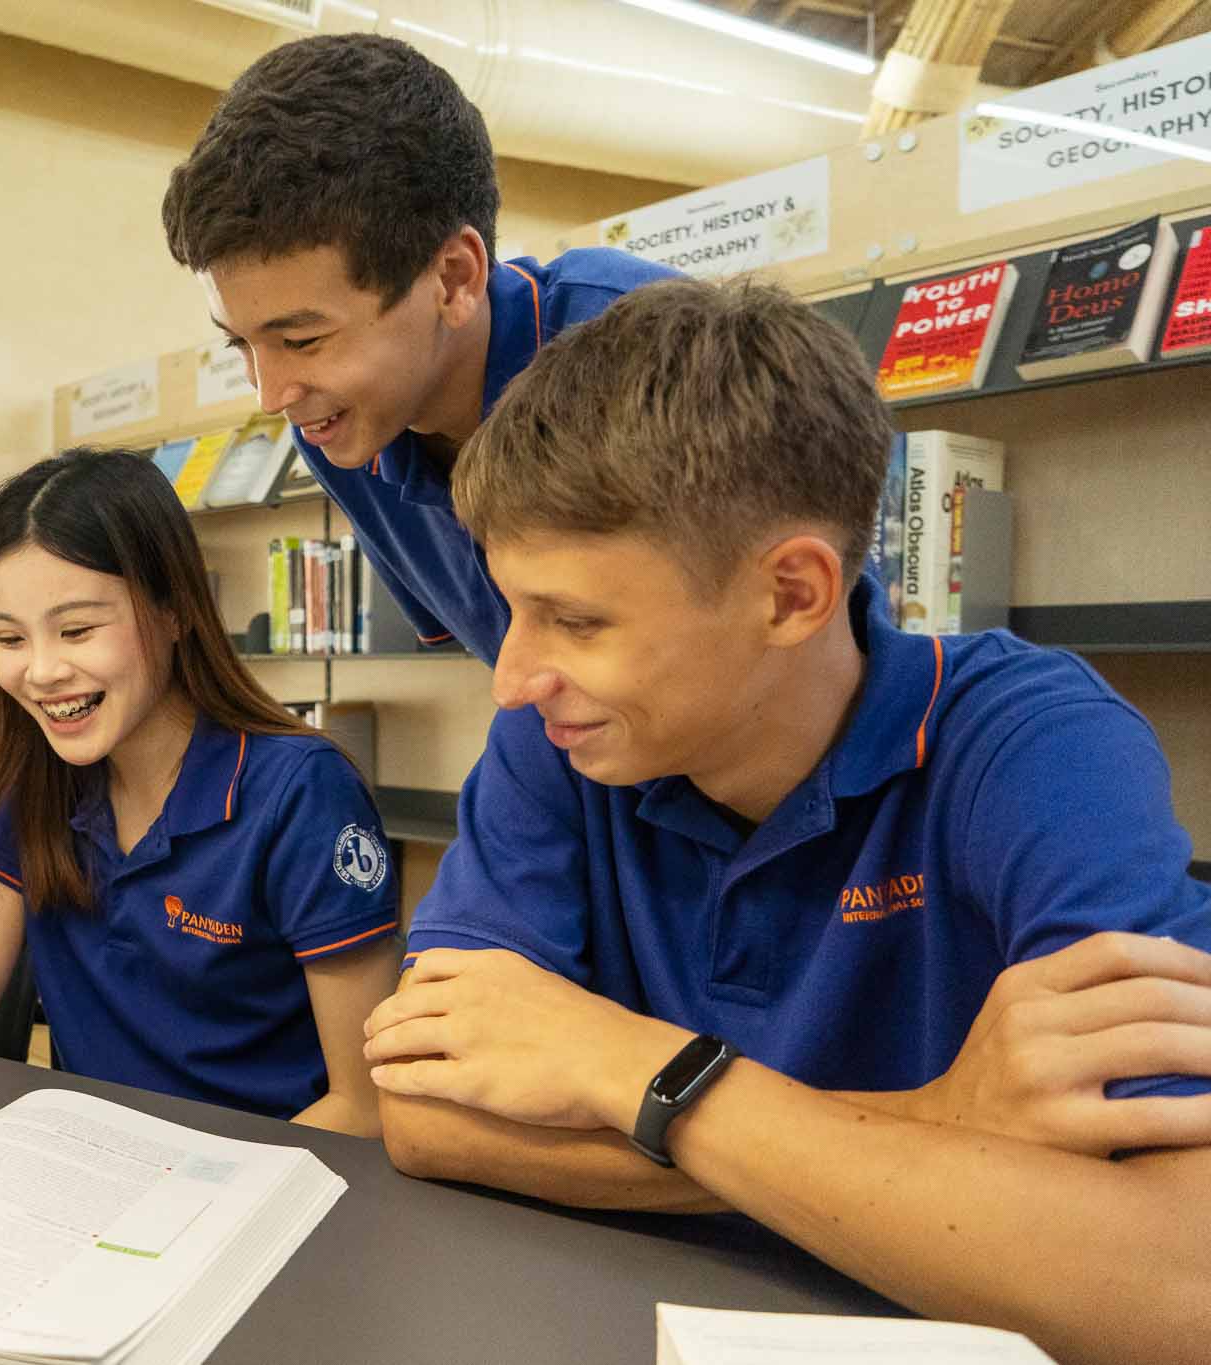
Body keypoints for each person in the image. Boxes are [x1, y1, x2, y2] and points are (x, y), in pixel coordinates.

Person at [359, 278, 1211, 1365]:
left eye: (573, 618)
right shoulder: (559, 740)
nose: (512, 680)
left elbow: (1178, 1283)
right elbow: (425, 1123)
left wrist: (626, 1066)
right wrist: (938, 1117)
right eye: (511, 608)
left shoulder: (1033, 746)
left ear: (791, 594)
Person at [0, 449, 402, 1135]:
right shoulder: (33, 784)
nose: (43, 670)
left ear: (175, 608)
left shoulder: (301, 792)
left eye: (77, 629)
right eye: (10, 637)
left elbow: (365, 1106)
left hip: (264, 1194)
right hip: (88, 1175)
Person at [163, 33, 676, 665]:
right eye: (241, 343)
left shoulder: (647, 345)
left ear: (453, 279)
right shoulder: (338, 434)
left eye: (302, 339)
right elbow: (527, 685)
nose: (273, 397)